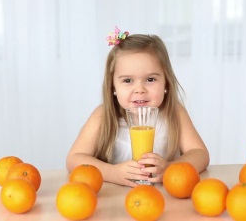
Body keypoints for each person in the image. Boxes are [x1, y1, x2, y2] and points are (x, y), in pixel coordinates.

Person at [66, 27, 209, 187]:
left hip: (163, 198)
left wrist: (170, 169)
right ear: (113, 86)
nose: (139, 89)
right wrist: (112, 173)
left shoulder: (174, 112)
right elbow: (74, 158)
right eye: (127, 81)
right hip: (115, 198)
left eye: (150, 79)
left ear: (166, 82)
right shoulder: (103, 115)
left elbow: (200, 154)